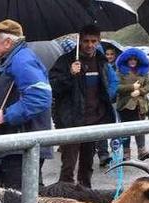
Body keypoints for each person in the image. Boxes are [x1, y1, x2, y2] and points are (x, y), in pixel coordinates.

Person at [0, 20, 52, 189]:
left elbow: (40, 96)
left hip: (22, 145)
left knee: (20, 198)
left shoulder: (22, 60)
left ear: (8, 42)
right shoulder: (12, 60)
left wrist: (8, 115)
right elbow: (6, 101)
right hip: (17, 143)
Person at [49, 24, 117, 186]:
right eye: (86, 41)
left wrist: (107, 105)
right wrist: (70, 75)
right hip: (71, 121)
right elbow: (53, 87)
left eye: (93, 41)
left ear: (98, 41)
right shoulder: (65, 61)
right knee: (68, 166)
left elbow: (109, 86)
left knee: (87, 166)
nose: (90, 45)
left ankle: (85, 197)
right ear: (80, 41)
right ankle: (65, 198)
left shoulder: (101, 61)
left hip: (93, 120)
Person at [114, 48, 149, 161]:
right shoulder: (120, 71)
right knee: (126, 130)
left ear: (139, 60)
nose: (132, 61)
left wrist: (140, 91)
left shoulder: (144, 72)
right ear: (126, 60)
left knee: (140, 128)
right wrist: (131, 87)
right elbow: (116, 87)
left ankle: (142, 150)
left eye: (135, 59)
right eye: (130, 59)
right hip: (125, 105)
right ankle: (126, 152)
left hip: (140, 105)